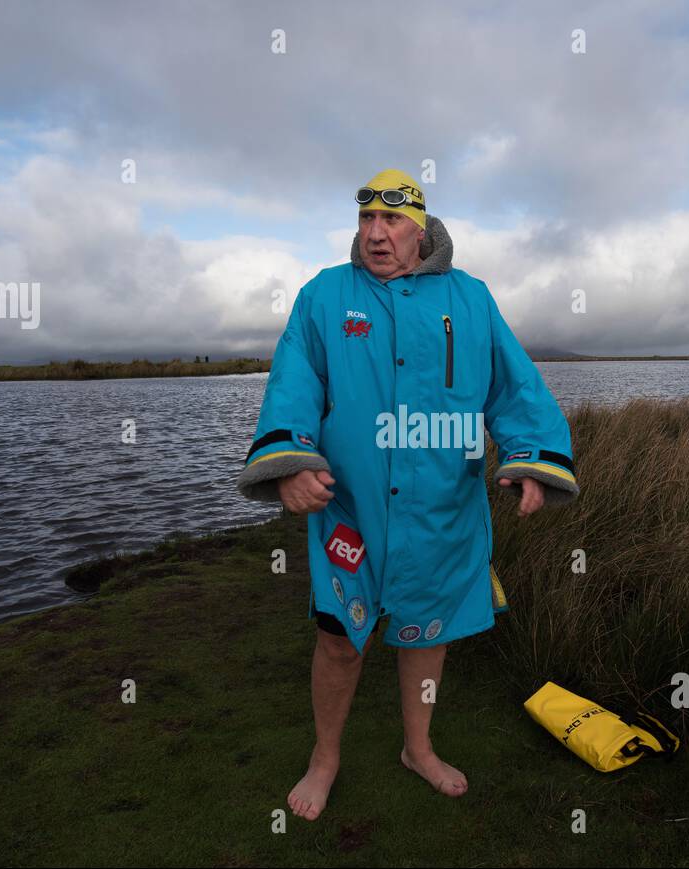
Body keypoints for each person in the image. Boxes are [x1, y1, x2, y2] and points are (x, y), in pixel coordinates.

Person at [235, 168, 579, 820]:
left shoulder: (471, 298)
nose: (375, 233)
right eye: (366, 219)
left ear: (420, 226)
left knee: (428, 632)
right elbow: (293, 383)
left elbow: (513, 387)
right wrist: (288, 463)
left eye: (390, 220)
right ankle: (326, 755)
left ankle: (417, 747)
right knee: (339, 637)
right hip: (350, 508)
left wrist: (531, 459)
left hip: (441, 509)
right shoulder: (325, 297)